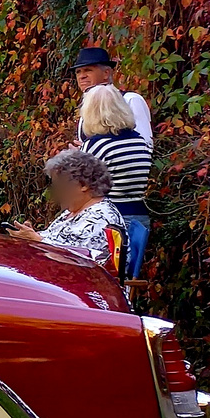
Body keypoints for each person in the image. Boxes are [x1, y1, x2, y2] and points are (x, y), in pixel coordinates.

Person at [7, 150, 126, 269]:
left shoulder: (100, 218)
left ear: (84, 185)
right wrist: (30, 235)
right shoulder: (73, 211)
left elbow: (80, 259)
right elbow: (59, 240)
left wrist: (37, 240)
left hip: (79, 282)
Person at [79, 84, 151, 275]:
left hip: (108, 222)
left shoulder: (96, 145)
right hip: (139, 217)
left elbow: (81, 189)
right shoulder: (139, 141)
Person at [74, 47, 152, 147]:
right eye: (78, 72)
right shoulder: (86, 108)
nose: (82, 76)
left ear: (106, 73)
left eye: (88, 70)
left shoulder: (130, 100)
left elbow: (146, 145)